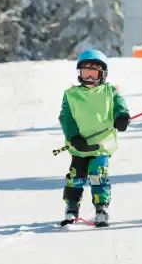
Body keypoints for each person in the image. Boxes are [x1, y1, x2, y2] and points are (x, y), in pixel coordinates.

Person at [58, 49, 131, 227]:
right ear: (79, 74)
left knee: (98, 176)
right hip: (79, 146)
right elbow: (66, 117)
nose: (89, 79)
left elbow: (120, 106)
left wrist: (121, 117)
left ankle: (101, 208)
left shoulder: (110, 91)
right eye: (85, 74)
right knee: (76, 177)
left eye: (94, 74)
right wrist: (74, 137)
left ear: (103, 75)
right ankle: (71, 207)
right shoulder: (71, 95)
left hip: (101, 145)